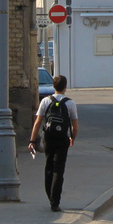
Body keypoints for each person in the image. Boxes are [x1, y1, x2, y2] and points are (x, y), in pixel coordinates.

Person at [29, 74, 77, 212]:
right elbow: (75, 125)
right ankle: (55, 202)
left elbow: (38, 122)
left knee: (49, 167)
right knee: (59, 169)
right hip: (63, 139)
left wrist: (32, 140)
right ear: (65, 87)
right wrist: (72, 138)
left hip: (48, 138)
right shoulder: (70, 103)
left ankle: (50, 197)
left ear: (53, 86)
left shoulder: (45, 101)